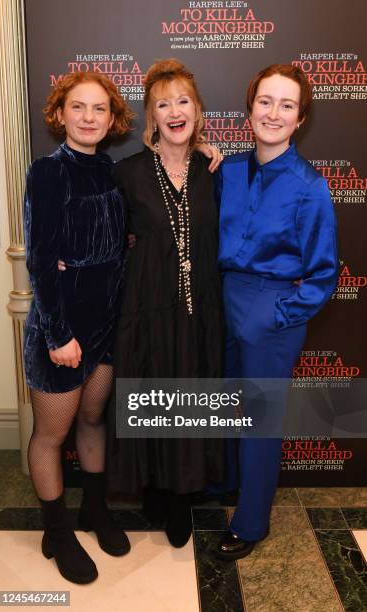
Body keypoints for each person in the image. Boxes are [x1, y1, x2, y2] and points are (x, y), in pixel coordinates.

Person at [216, 64, 338, 560]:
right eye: (265, 101)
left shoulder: (310, 186)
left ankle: (250, 524)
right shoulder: (224, 172)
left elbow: (324, 274)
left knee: (259, 420)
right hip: (221, 297)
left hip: (271, 306)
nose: (273, 113)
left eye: (286, 105)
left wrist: (277, 314)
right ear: (249, 110)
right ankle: (225, 485)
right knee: (222, 404)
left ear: (300, 117)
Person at [105, 59, 226, 548]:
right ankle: (153, 487)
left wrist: (207, 149)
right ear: (151, 117)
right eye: (163, 104)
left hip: (200, 312)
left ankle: (183, 497)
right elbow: (107, 241)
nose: (175, 111)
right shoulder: (126, 173)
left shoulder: (216, 170)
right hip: (146, 308)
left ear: (197, 111)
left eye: (183, 101)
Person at [23, 72, 134, 584]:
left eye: (99, 109)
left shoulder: (111, 171)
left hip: (104, 328)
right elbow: (43, 265)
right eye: (78, 107)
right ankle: (58, 529)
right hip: (61, 331)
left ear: (112, 119)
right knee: (52, 434)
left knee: (93, 420)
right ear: (60, 113)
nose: (89, 117)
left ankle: (94, 509)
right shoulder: (48, 172)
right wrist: (57, 335)